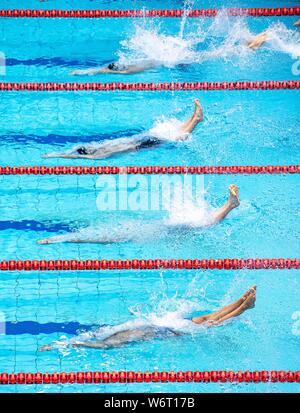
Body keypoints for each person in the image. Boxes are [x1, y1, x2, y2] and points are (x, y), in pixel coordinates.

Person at [39, 286, 256, 351]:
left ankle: (243, 307)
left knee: (211, 323)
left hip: (165, 330)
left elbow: (101, 347)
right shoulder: (118, 329)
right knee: (208, 318)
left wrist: (71, 344)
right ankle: (241, 301)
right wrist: (70, 342)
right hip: (164, 323)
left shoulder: (112, 340)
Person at [36, 184, 240, 245]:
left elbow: (86, 238)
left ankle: (230, 206)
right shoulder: (111, 232)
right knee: (191, 224)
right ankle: (229, 206)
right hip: (155, 229)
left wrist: (56, 239)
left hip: (156, 229)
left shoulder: (109, 234)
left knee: (191, 225)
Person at [43, 99, 203, 160]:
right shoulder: (99, 155)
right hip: (138, 146)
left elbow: (75, 152)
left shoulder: (98, 149)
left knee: (166, 133)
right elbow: (80, 157)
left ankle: (192, 118)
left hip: (137, 142)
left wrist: (56, 155)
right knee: (171, 138)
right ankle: (195, 120)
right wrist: (59, 155)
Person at [70, 61, 156, 76]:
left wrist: (80, 72)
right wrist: (81, 72)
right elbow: (100, 70)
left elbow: (101, 71)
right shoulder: (130, 67)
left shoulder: (126, 71)